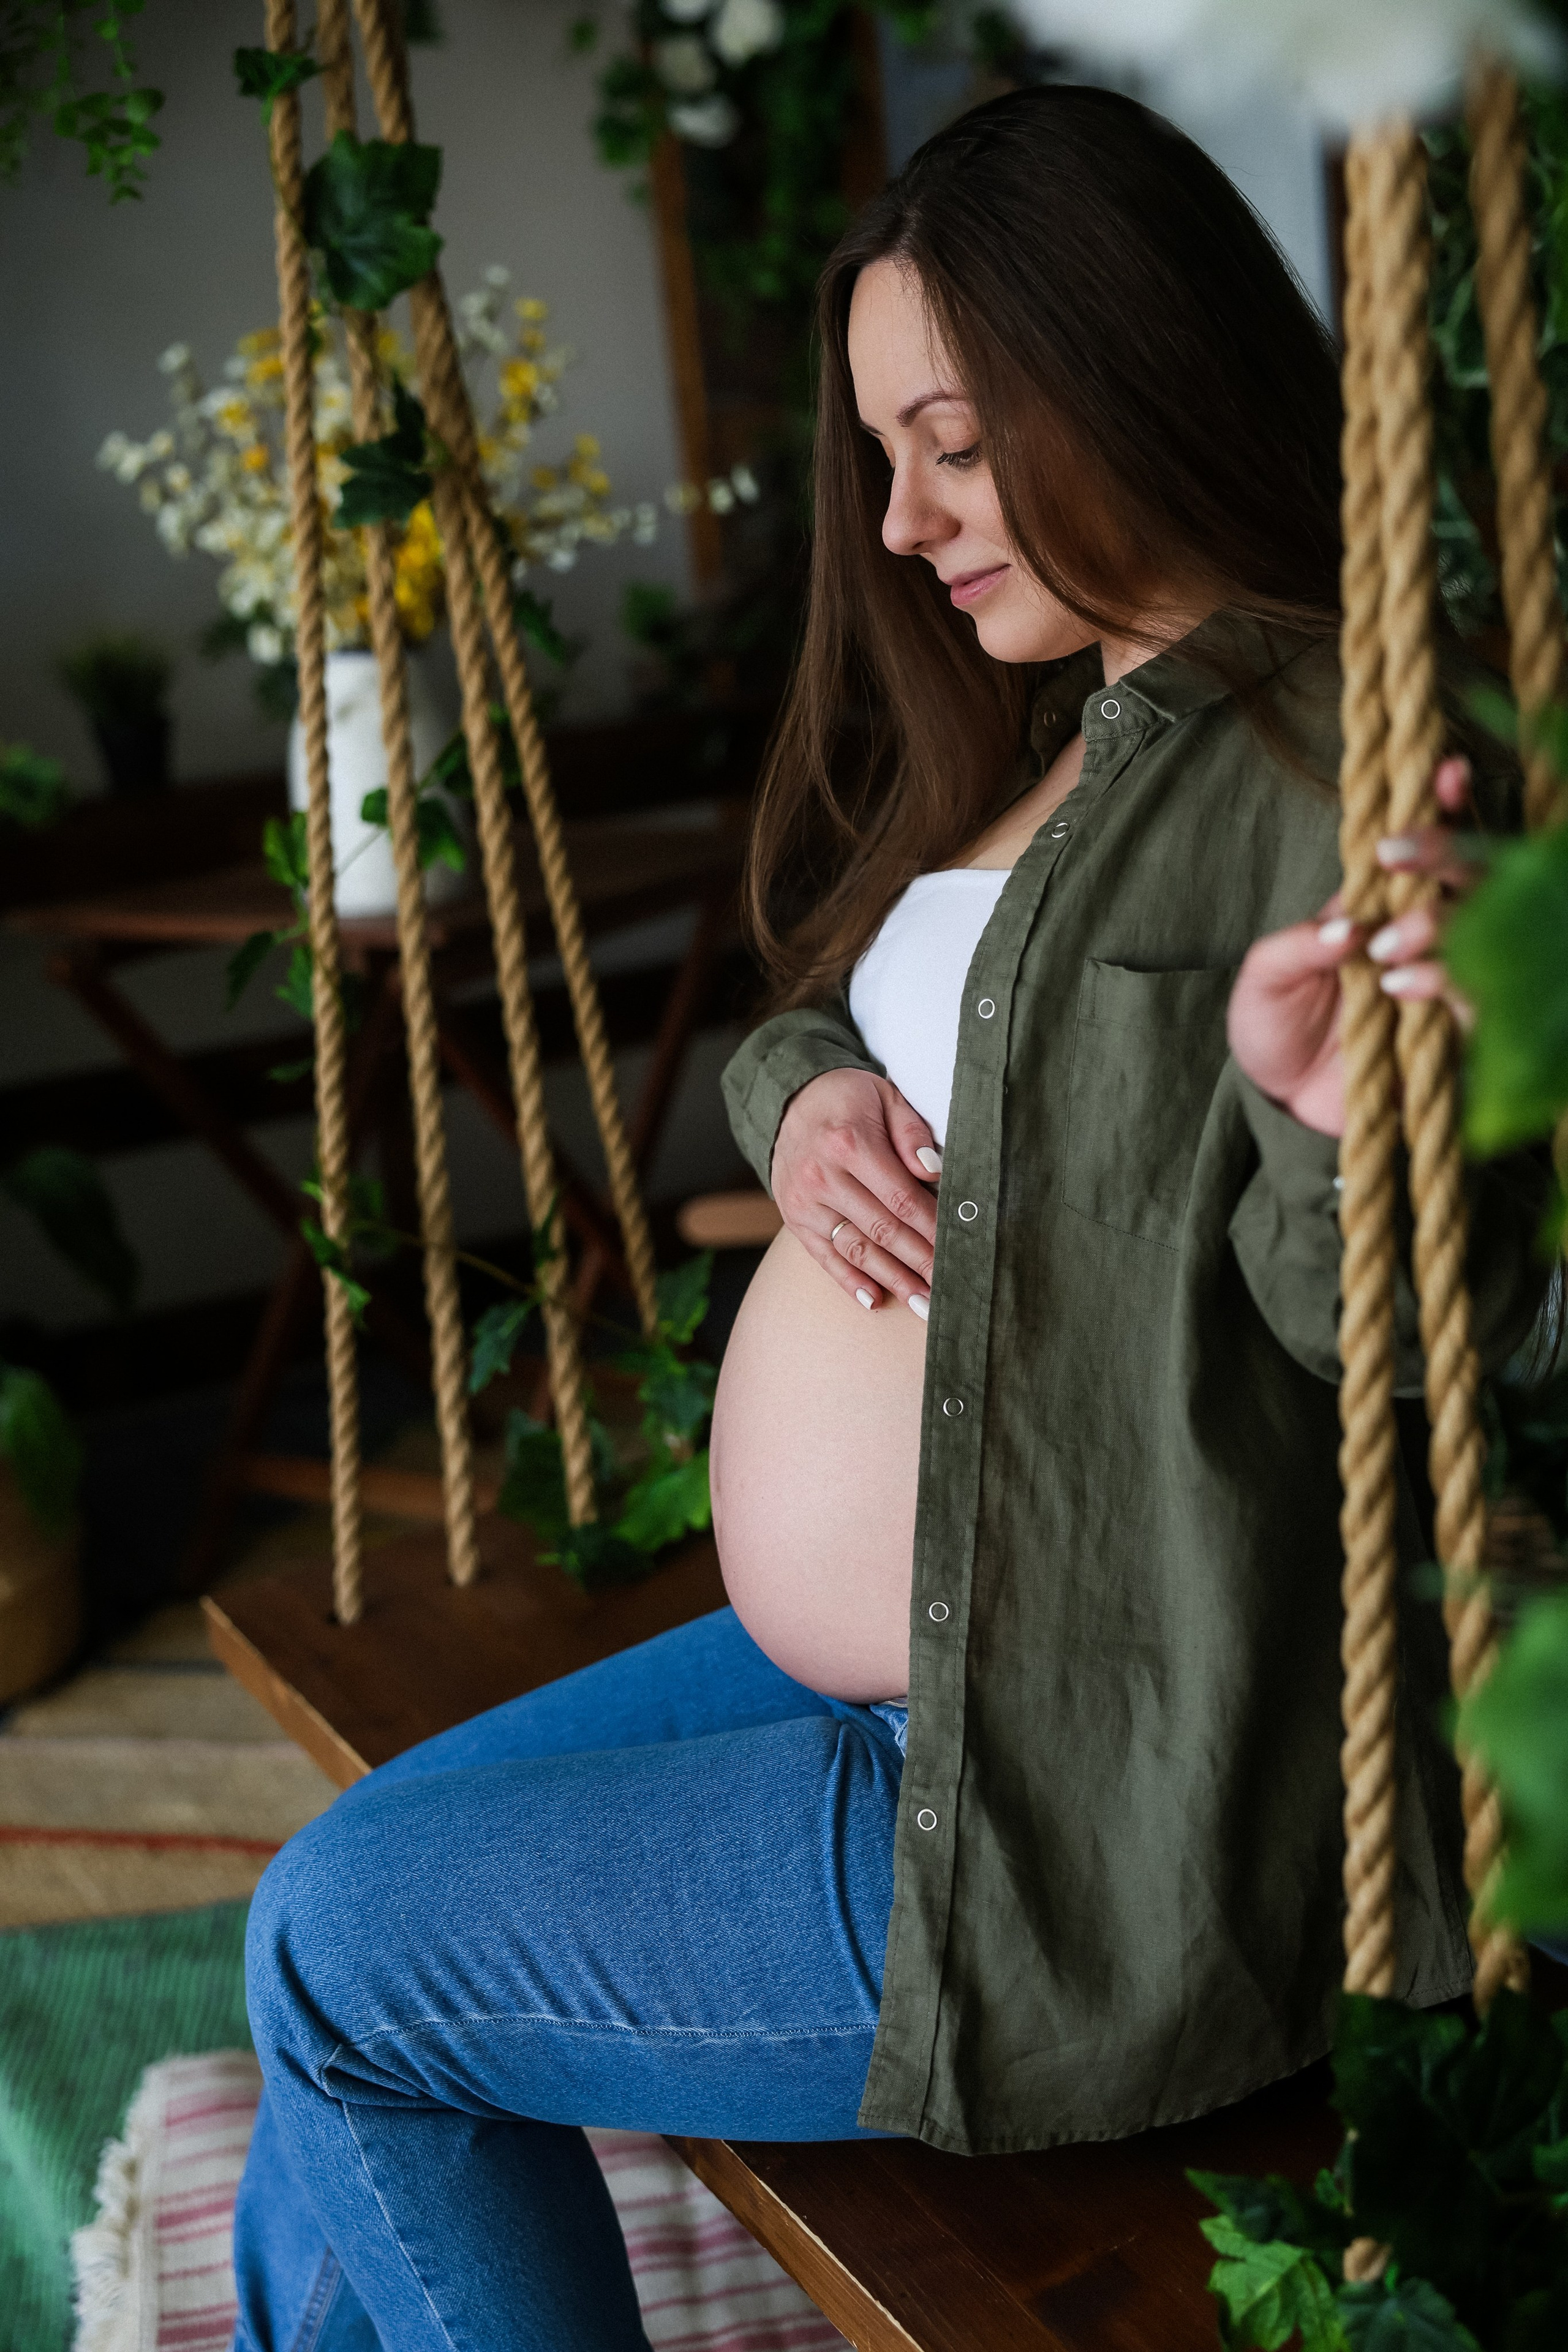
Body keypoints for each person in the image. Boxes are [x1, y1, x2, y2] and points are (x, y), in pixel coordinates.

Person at [232, 85, 1547, 2352]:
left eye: (951, 437)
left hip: (1058, 1798)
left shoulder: (1344, 763)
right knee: (327, 1923)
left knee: (343, 1965)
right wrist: (811, 1081)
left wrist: (1331, 1120)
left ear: (1130, 367)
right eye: (880, 446)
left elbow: (1428, 1363)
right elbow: (893, 1021)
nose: (904, 512)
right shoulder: (1059, 714)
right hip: (901, 1654)